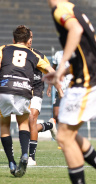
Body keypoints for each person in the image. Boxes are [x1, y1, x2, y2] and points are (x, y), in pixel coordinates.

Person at [44, 1, 96, 183]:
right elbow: (86, 53)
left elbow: (76, 31)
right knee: (67, 134)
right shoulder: (72, 8)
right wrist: (62, 71)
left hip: (87, 80)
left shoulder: (60, 9)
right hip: (88, 76)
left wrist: (61, 64)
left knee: (63, 137)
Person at [0, 25, 55, 177]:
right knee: (23, 123)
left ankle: (11, 162)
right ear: (28, 40)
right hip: (24, 89)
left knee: (4, 124)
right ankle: (25, 154)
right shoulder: (34, 55)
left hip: (5, 88)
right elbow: (50, 71)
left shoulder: (4, 48)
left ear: (13, 39)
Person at [26, 29, 62, 166]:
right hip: (20, 91)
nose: (30, 40)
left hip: (36, 89)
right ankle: (50, 125)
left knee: (31, 120)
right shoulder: (13, 54)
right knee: (27, 127)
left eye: (31, 37)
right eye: (28, 37)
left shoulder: (39, 55)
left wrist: (51, 86)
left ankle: (31, 158)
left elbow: (49, 71)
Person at [52, 50, 72, 123]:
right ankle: (54, 132)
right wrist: (50, 86)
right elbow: (52, 70)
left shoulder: (75, 54)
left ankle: (67, 133)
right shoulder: (58, 54)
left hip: (71, 90)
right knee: (56, 115)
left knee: (69, 116)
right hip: (60, 89)